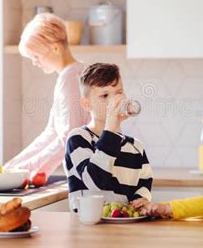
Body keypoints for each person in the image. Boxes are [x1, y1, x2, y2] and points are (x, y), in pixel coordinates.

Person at [4, 13, 90, 181]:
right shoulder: (73, 73)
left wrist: (23, 170)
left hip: (88, 174)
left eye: (36, 56)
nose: (35, 63)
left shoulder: (70, 79)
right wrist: (13, 166)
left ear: (56, 48)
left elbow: (68, 138)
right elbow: (51, 132)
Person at [64, 63, 153, 212]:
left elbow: (144, 185)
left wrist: (141, 200)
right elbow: (95, 182)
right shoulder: (78, 139)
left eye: (118, 93)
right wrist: (110, 128)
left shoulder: (136, 147)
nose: (114, 102)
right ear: (86, 104)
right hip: (88, 229)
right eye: (104, 96)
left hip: (124, 228)